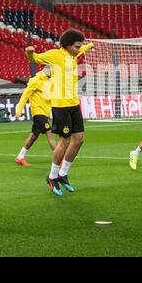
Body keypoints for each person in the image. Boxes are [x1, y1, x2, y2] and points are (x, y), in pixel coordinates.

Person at [26, 30, 94, 196]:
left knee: (79, 140)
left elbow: (82, 49)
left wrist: (90, 45)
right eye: (77, 46)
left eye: (80, 47)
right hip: (60, 105)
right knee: (64, 141)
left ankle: (63, 175)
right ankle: (52, 176)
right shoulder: (54, 55)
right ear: (68, 45)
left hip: (73, 104)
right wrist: (30, 53)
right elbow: (35, 59)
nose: (79, 49)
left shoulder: (73, 55)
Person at [14, 66, 56, 166]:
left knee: (34, 136)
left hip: (45, 112)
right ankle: (59, 157)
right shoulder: (35, 80)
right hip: (38, 112)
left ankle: (20, 157)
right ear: (46, 70)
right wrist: (18, 111)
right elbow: (25, 96)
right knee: (49, 133)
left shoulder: (50, 80)